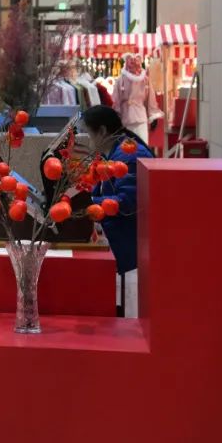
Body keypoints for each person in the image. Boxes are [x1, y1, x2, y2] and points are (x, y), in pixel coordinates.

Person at [80, 105, 154, 317]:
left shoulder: (128, 155)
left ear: (102, 131)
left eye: (88, 133)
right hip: (119, 235)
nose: (87, 141)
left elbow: (127, 202)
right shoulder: (116, 151)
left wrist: (89, 205)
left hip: (126, 240)